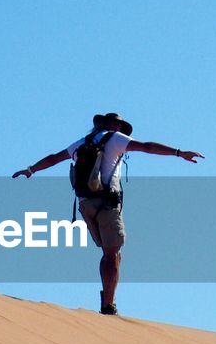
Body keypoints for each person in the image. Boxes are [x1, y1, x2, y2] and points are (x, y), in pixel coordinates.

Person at [13, 112, 203, 315]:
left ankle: (107, 299)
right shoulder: (115, 139)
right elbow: (147, 147)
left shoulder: (81, 143)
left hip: (86, 204)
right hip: (107, 201)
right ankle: (108, 305)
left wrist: (31, 169)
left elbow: (54, 158)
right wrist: (179, 153)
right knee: (113, 253)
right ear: (113, 125)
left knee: (109, 252)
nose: (119, 128)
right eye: (118, 124)